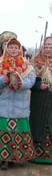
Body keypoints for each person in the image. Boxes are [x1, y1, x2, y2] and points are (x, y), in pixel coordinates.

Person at [0, 37, 36, 170]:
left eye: (16, 47)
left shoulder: (26, 65)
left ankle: (16, 157)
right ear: (6, 48)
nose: (13, 50)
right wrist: (3, 79)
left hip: (20, 105)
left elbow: (31, 81)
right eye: (11, 47)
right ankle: (4, 159)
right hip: (3, 105)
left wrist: (19, 83)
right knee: (4, 131)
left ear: (19, 49)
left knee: (18, 131)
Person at [29, 36, 52, 164]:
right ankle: (36, 154)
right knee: (38, 123)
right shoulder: (35, 62)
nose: (48, 49)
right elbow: (30, 82)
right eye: (46, 46)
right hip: (39, 99)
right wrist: (38, 86)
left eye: (51, 47)